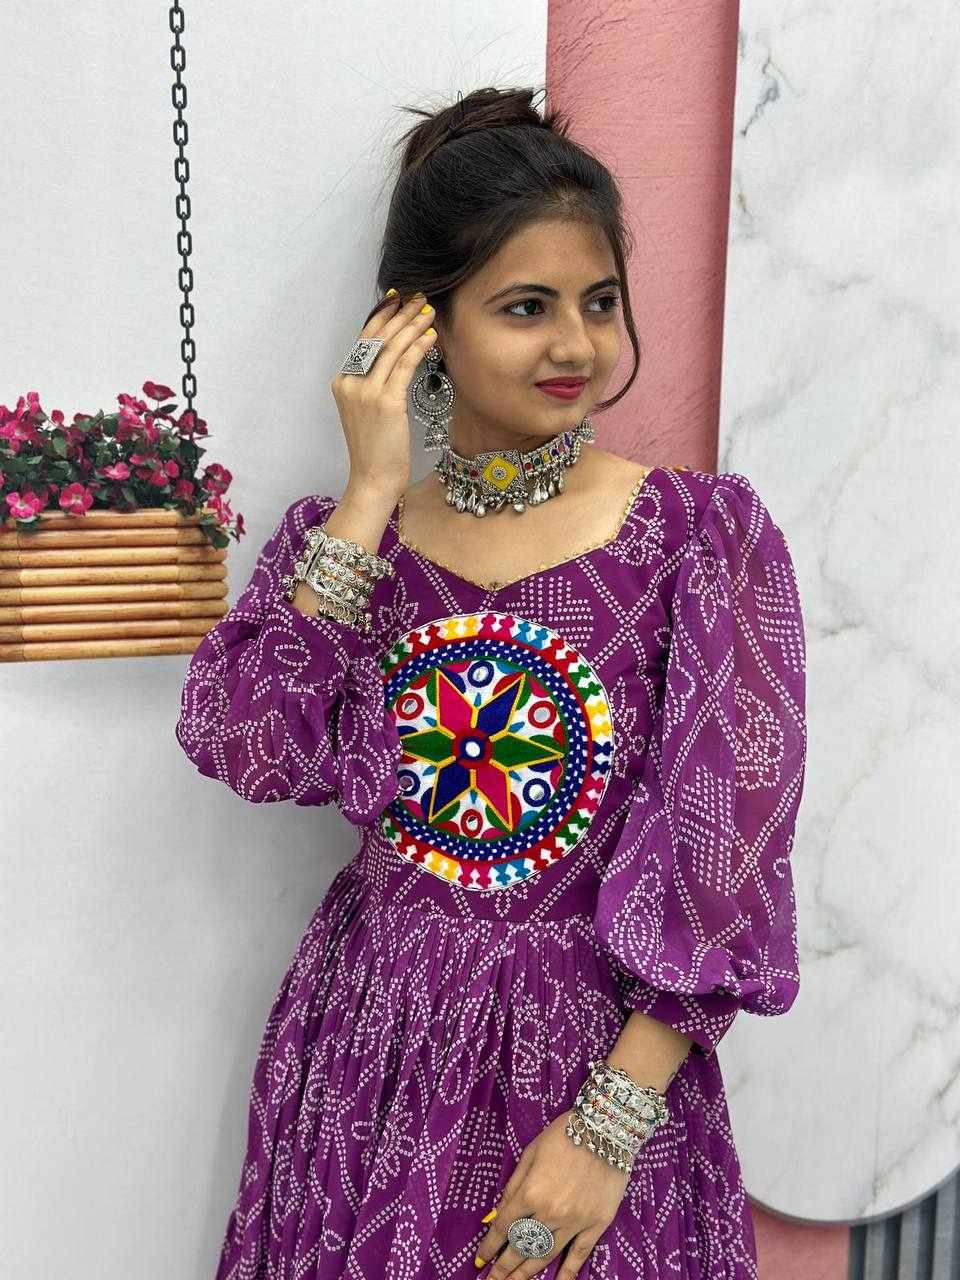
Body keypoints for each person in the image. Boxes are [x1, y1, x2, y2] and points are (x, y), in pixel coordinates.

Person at [175, 86, 808, 1280]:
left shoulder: (694, 541)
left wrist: (605, 1133)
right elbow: (255, 748)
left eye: (599, 302)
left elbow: (726, 864)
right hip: (367, 1064)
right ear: (419, 327)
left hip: (594, 1071)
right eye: (527, 307)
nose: (576, 345)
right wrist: (371, 491)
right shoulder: (345, 547)